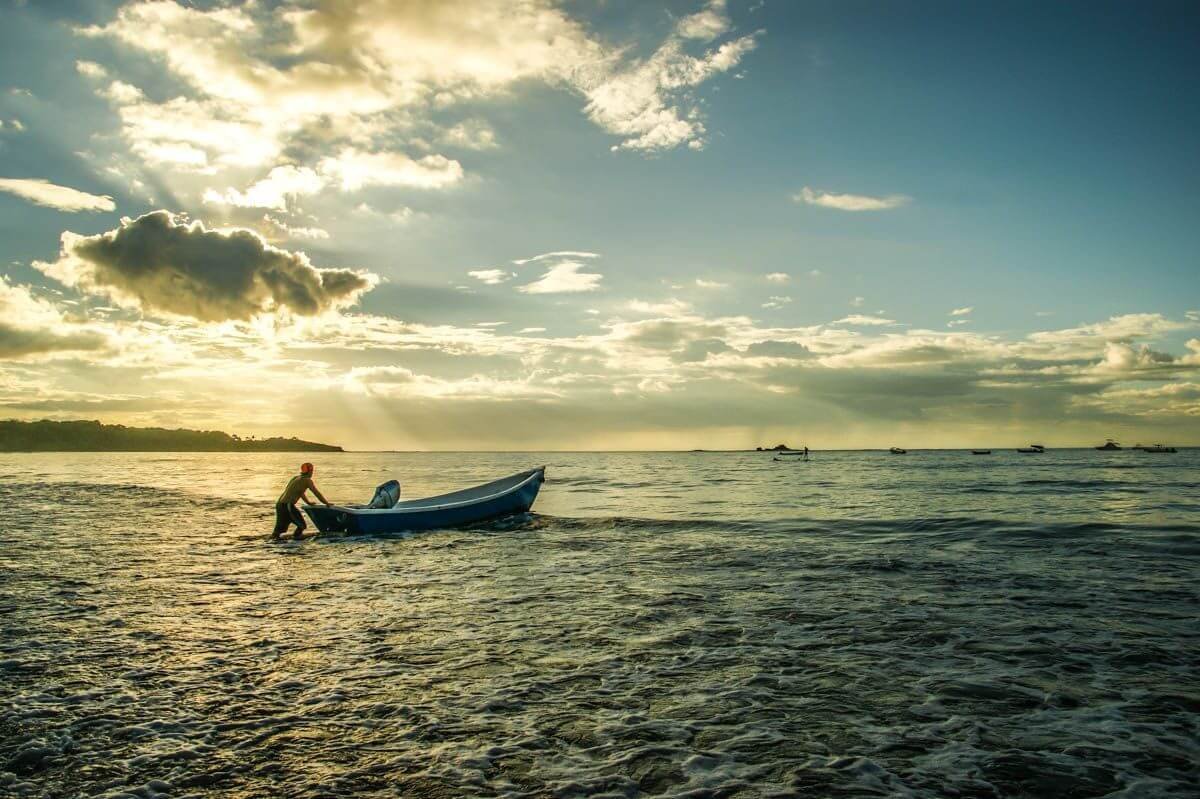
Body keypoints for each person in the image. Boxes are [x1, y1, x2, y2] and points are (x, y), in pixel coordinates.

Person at [273, 462, 331, 539]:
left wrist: (308, 502)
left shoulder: (296, 478)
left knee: (279, 529)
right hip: (287, 505)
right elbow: (316, 493)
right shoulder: (307, 480)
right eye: (312, 471)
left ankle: (274, 540)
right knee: (302, 525)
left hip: (279, 505)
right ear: (310, 471)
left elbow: (300, 492)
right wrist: (326, 503)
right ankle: (296, 539)